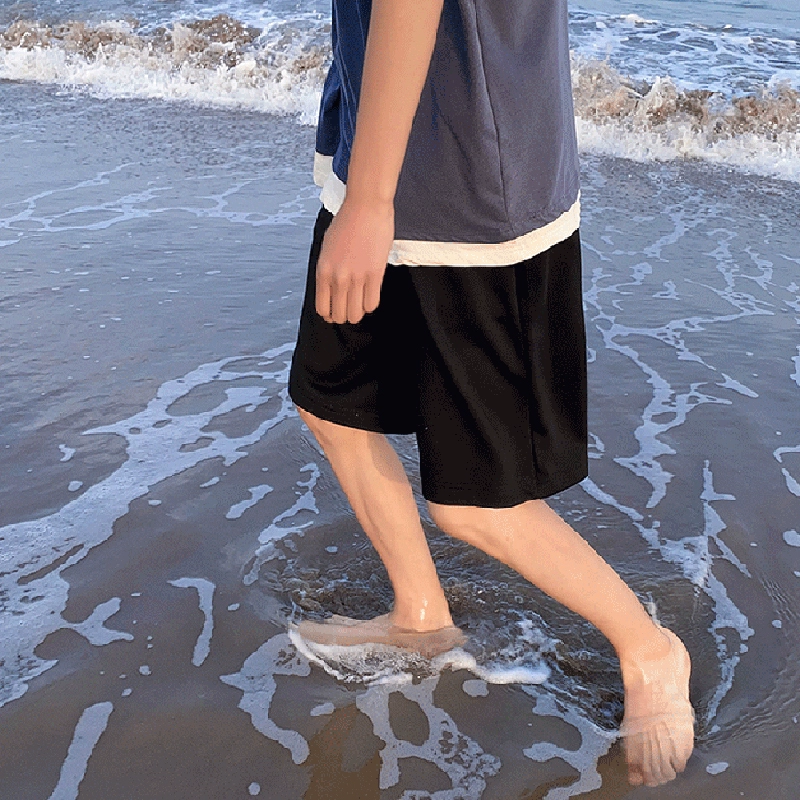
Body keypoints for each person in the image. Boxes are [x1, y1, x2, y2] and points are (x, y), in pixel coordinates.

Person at [287, 0, 695, 788]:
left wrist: (371, 201)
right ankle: (421, 616)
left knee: (477, 503)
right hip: (386, 150)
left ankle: (648, 649)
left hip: (462, 185)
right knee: (330, 404)